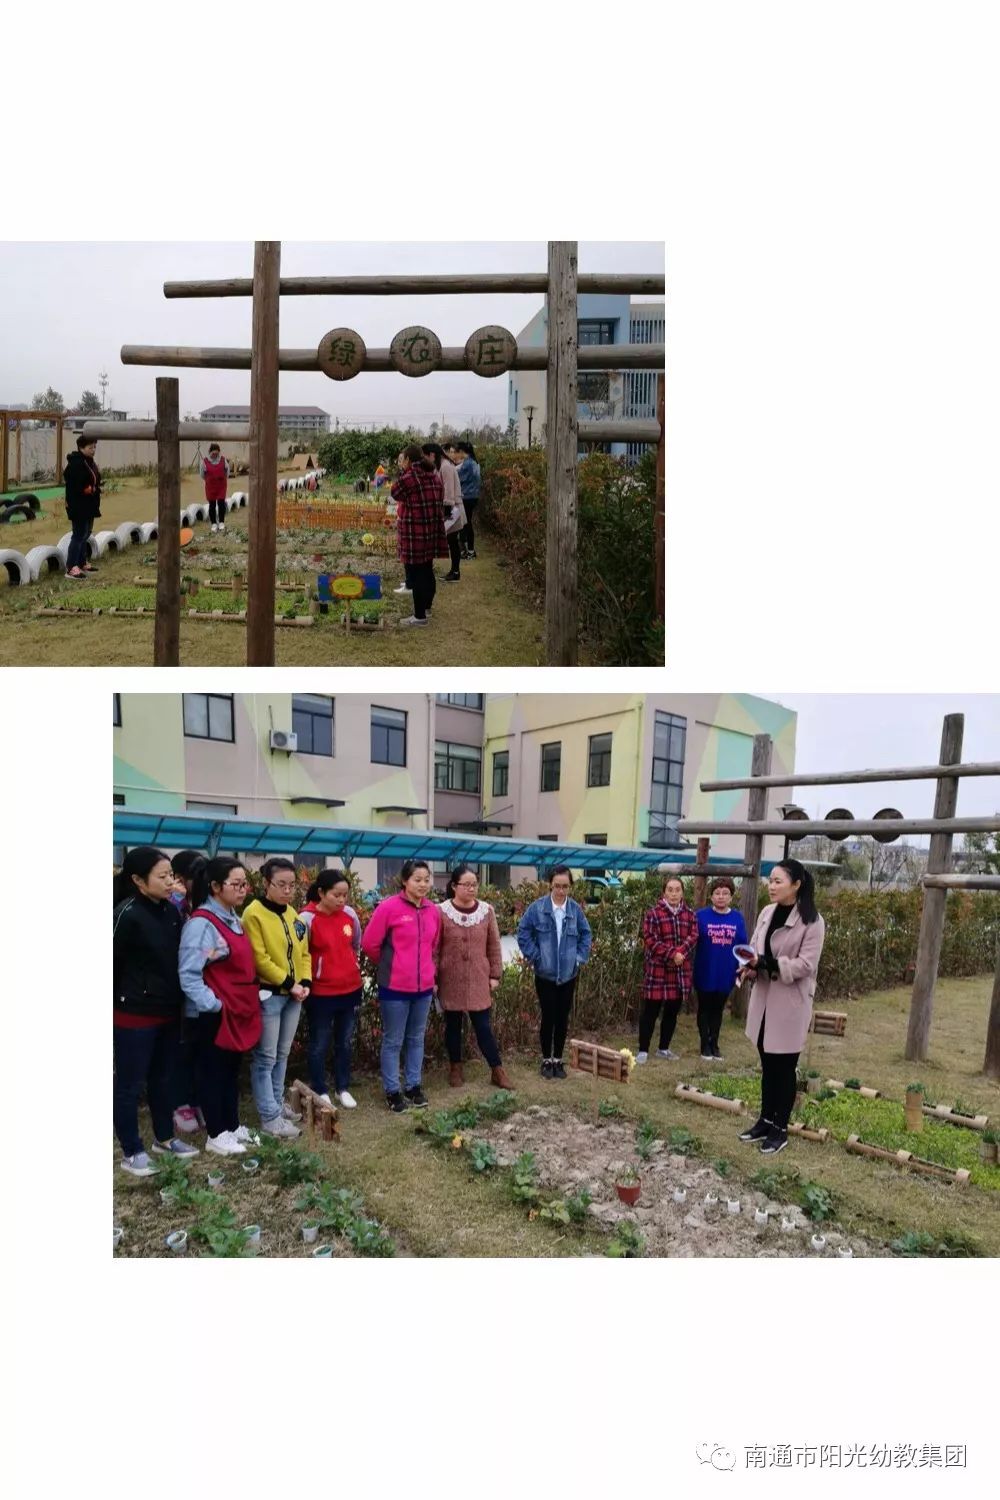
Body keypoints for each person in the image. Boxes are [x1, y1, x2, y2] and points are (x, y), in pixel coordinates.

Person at [113, 847, 199, 1175]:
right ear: (137, 880)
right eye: (162, 876)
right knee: (130, 1084)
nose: (169, 882)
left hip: (167, 1009)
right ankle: (132, 1150)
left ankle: (164, 1137)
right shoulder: (127, 913)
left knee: (163, 1079)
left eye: (171, 876)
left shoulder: (170, 911)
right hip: (134, 1012)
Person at [736, 859, 826, 1156]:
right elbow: (754, 948)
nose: (771, 886)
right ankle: (764, 1119)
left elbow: (805, 965)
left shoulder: (812, 921)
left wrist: (765, 964)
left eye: (778, 881)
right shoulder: (766, 912)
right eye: (770, 880)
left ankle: (780, 1128)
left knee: (783, 1068)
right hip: (764, 999)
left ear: (797, 885)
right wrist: (749, 967)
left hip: (789, 1004)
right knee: (767, 1064)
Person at [178, 858, 262, 1157]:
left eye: (244, 884)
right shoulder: (201, 923)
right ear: (215, 886)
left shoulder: (233, 918)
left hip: (236, 1010)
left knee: (229, 1072)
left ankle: (232, 1125)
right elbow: (189, 973)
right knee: (212, 1073)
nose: (242, 890)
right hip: (213, 1015)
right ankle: (216, 1133)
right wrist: (213, 1005)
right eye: (236, 884)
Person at [361, 859, 442, 1112]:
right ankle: (393, 1090)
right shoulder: (389, 908)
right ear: (405, 881)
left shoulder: (433, 911)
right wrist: (391, 966)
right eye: (417, 879)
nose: (423, 884)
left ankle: (413, 1086)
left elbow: (433, 945)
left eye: (426, 879)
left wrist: (429, 973)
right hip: (394, 987)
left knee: (416, 1038)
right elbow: (370, 943)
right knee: (393, 1040)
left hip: (424, 988)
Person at [242, 858, 313, 1137]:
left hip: (293, 996)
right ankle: (269, 1117)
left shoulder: (293, 914)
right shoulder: (254, 913)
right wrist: (288, 983)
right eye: (280, 884)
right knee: (265, 1056)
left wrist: (304, 981)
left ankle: (275, 1103)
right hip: (270, 995)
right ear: (266, 884)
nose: (287, 890)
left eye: (292, 885)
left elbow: (304, 952)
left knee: (282, 1054)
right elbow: (259, 958)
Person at [436, 866, 512, 1089]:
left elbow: (494, 945)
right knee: (452, 1026)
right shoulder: (441, 911)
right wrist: (433, 977)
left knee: (483, 1026)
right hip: (450, 977)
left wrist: (495, 974)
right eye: (466, 885)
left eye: (474, 884)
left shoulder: (486, 911)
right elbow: (435, 947)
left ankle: (497, 1070)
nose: (471, 888)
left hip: (479, 977)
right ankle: (455, 1067)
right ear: (453, 886)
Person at [516, 866, 593, 1079]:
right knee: (548, 1017)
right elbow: (523, 932)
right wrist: (535, 955)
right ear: (550, 884)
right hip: (545, 974)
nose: (561, 890)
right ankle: (546, 1060)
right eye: (557, 886)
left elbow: (586, 934)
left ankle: (558, 1059)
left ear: (570, 887)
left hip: (568, 974)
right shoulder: (537, 908)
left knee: (562, 1017)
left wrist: (578, 958)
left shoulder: (575, 910)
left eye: (565, 886)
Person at [302, 870, 363, 1109]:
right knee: (319, 1042)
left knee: (345, 1041)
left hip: (349, 988)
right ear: (321, 893)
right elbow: (301, 954)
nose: (341, 900)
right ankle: (319, 1088)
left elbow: (355, 943)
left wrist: (351, 965)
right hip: (320, 993)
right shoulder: (306, 919)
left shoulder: (349, 915)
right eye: (336, 895)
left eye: (345, 895)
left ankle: (342, 1087)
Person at [168, 849, 208, 1134]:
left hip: (205, 989)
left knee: (199, 1048)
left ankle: (196, 1099)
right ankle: (180, 1102)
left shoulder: (205, 906)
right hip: (179, 989)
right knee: (182, 1048)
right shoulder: (175, 906)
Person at [638, 877, 699, 1062]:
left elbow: (694, 935)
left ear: (682, 892)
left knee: (672, 1012)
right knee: (650, 1011)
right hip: (658, 969)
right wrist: (672, 954)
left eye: (677, 889)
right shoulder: (654, 913)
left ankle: (663, 1048)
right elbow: (650, 939)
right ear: (664, 892)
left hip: (680, 971)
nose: (674, 893)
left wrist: (681, 953)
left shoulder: (689, 914)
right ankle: (643, 1050)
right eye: (670, 890)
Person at [390, 445, 448, 627]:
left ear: (408, 460)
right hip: (431, 530)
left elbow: (394, 492)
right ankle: (427, 608)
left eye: (404, 459)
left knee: (416, 574)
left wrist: (403, 472)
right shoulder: (434, 477)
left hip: (414, 533)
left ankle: (419, 615)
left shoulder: (409, 477)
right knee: (427, 570)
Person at [693, 877, 748, 1062]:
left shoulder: (737, 918)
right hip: (705, 969)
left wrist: (743, 967)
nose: (721, 897)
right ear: (711, 896)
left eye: (725, 893)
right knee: (705, 1008)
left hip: (726, 971)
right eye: (717, 893)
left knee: (718, 1009)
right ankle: (704, 1045)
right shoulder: (701, 916)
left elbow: (742, 945)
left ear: (731, 897)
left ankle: (714, 1043)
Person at [422, 442, 466, 582]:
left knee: (452, 540)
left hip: (452, 510)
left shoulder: (446, 467)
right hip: (450, 508)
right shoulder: (441, 465)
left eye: (425, 456)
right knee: (452, 540)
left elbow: (448, 489)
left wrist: (446, 510)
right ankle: (454, 571)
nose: (425, 460)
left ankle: (455, 571)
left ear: (432, 455)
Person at [63, 434, 102, 580]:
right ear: (81, 448)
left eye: (94, 447)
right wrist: (87, 489)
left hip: (89, 505)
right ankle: (71, 567)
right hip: (78, 505)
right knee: (79, 534)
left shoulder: (89, 461)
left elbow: (94, 479)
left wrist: (95, 487)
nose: (93, 450)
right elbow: (73, 483)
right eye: (90, 447)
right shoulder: (76, 463)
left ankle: (81, 562)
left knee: (86, 533)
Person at [446, 441, 481, 560]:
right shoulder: (474, 462)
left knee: (466, 524)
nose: (454, 455)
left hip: (467, 496)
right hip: (473, 496)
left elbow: (456, 476)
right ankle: (467, 550)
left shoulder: (467, 464)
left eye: (455, 452)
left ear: (461, 452)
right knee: (466, 524)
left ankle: (469, 551)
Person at [199, 442, 229, 532]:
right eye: (213, 454)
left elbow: (227, 471)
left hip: (221, 486)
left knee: (221, 503)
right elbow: (202, 475)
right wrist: (209, 480)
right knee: (212, 505)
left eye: (217, 453)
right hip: (210, 487)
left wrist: (222, 479)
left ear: (219, 453)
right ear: (210, 452)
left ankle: (221, 522)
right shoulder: (204, 462)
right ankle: (213, 524)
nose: (215, 455)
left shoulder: (223, 460)